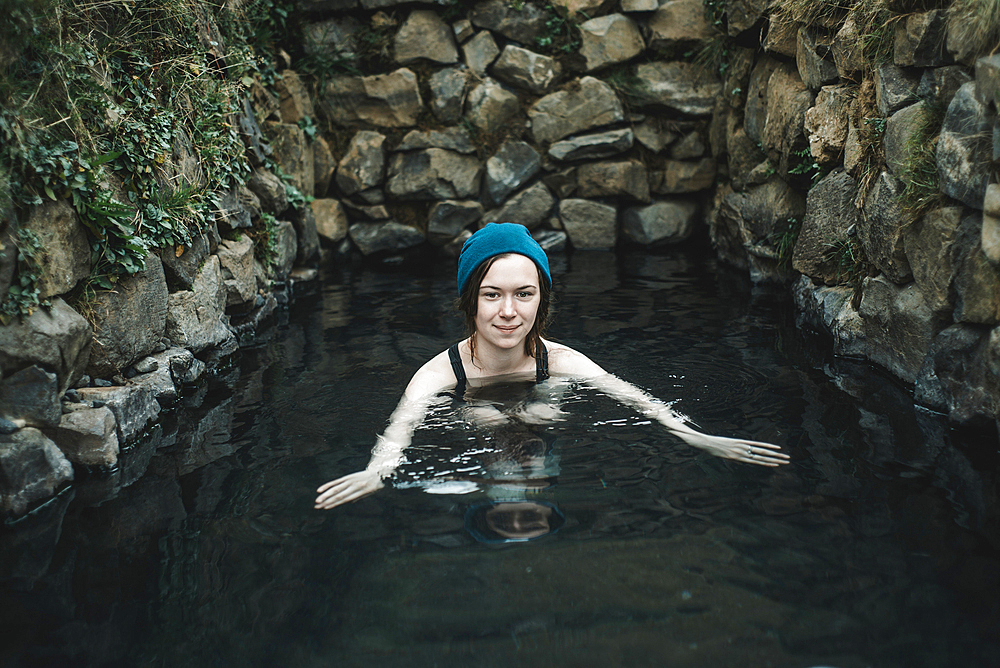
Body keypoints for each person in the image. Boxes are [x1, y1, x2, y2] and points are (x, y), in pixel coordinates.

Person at [315, 223, 789, 510]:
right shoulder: (439, 375)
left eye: (524, 294)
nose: (508, 311)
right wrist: (378, 471)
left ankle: (529, 480)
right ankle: (507, 486)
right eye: (491, 295)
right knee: (485, 418)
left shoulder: (561, 361)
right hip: (474, 426)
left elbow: (639, 402)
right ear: (470, 301)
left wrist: (696, 436)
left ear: (541, 300)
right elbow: (401, 429)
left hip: (543, 408)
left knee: (542, 413)